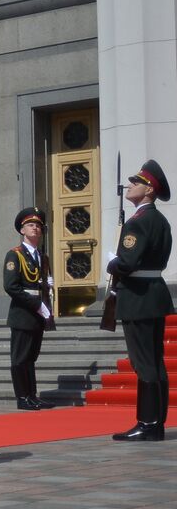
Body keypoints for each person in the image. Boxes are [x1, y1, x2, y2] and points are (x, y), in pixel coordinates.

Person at [107, 159, 172, 442]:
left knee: (144, 363)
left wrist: (112, 264)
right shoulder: (160, 220)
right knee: (155, 362)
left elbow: (128, 262)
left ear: (148, 190)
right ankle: (156, 423)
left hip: (137, 297)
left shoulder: (139, 222)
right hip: (154, 293)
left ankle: (147, 423)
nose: (129, 186)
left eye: (135, 183)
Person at [3, 207, 55, 410]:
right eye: (31, 225)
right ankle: (22, 397)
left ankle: (32, 395)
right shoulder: (15, 255)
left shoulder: (42, 257)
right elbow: (11, 287)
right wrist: (37, 304)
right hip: (23, 313)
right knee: (20, 358)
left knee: (31, 357)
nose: (36, 228)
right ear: (22, 230)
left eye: (39, 225)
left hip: (38, 313)